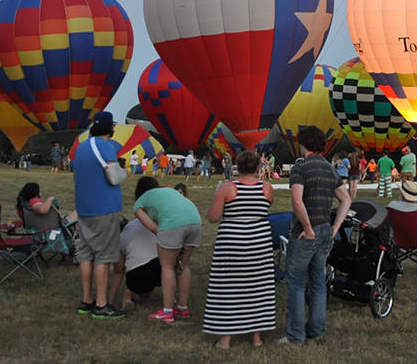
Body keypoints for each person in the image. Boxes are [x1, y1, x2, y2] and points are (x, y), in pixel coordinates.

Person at [277, 126, 352, 346]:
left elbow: (297, 201)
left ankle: (295, 336)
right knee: (318, 281)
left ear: (303, 144)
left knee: (296, 283)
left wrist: (307, 229)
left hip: (305, 234)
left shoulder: (300, 169)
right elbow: (346, 199)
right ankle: (317, 330)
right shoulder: (330, 168)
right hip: (324, 232)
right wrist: (335, 227)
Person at [204, 150, 276, 349]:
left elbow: (213, 217)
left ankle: (225, 339)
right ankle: (256, 338)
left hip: (232, 241)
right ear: (258, 167)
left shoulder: (228, 188)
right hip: (259, 242)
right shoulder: (267, 188)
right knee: (258, 287)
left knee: (228, 288)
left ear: (237, 166)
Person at [71, 111, 126, 319]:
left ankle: (87, 300)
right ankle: (102, 304)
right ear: (110, 127)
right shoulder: (105, 146)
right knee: (103, 256)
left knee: (86, 254)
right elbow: (113, 177)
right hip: (103, 207)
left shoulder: (82, 147)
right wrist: (124, 172)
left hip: (84, 208)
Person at [133, 175, 202, 324]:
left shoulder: (139, 203)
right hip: (195, 220)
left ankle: (167, 311)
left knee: (167, 267)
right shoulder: (169, 190)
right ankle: (182, 308)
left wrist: (168, 238)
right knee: (183, 265)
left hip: (173, 223)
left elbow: (154, 228)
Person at [109, 177, 162, 312]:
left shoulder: (126, 231)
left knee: (141, 297)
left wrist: (110, 299)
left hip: (139, 273)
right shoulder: (163, 222)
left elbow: (118, 270)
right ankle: (176, 301)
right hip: (162, 266)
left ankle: (131, 294)